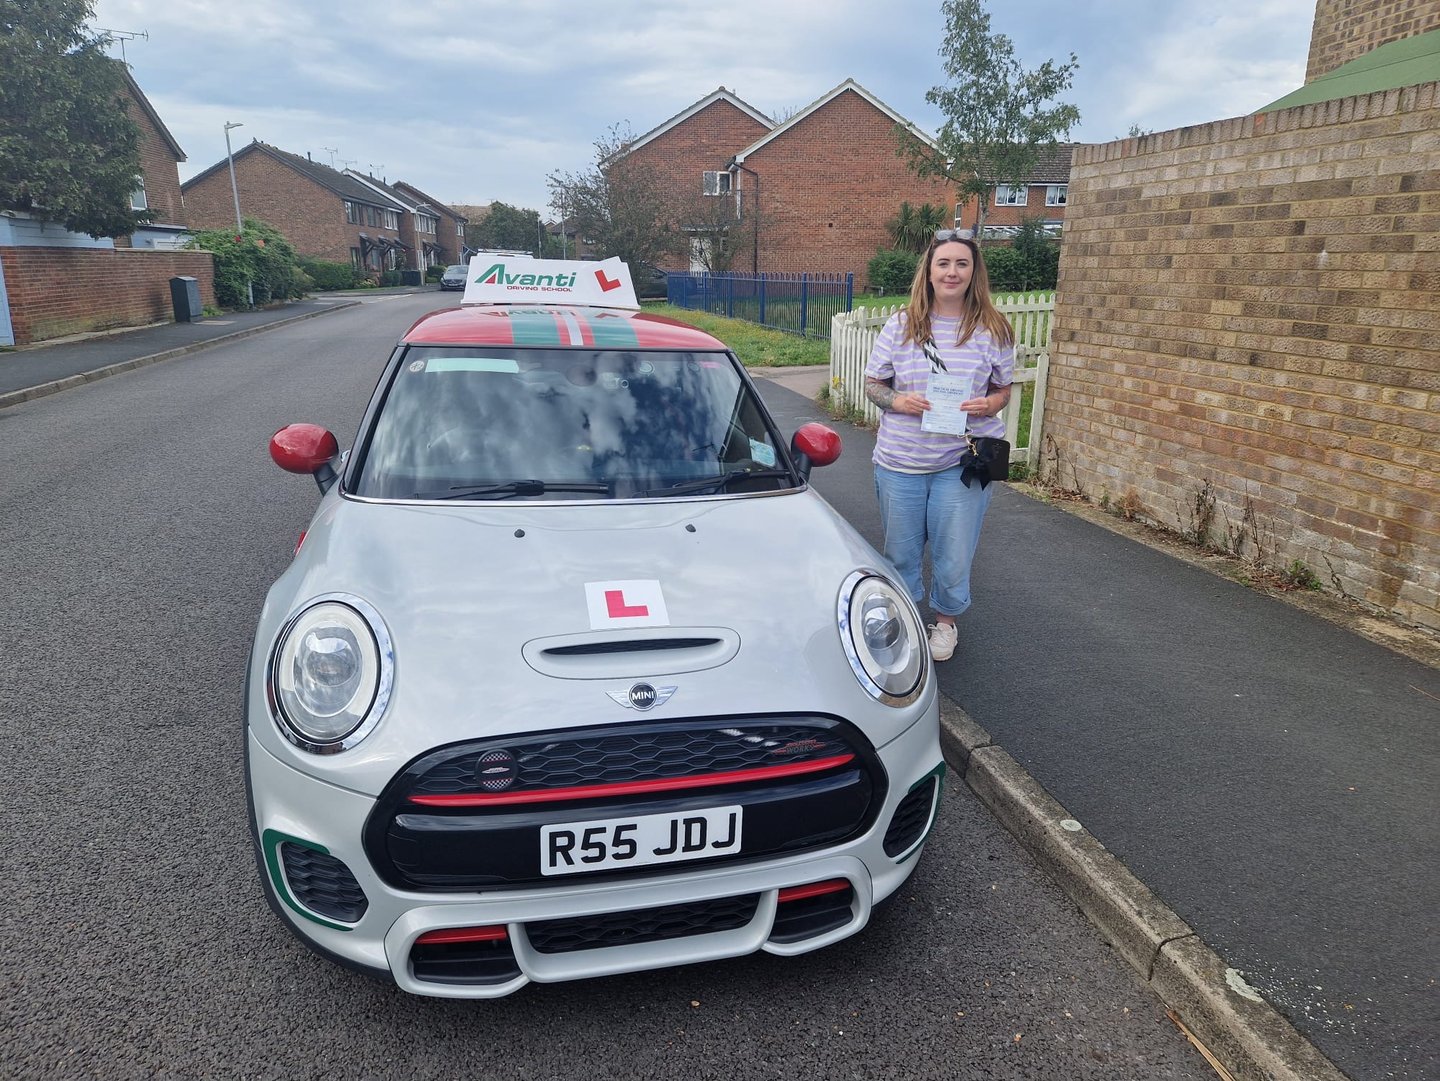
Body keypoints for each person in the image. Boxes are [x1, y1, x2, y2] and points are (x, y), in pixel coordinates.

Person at [863, 229, 1015, 662]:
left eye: (961, 264)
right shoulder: (902, 324)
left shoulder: (994, 329)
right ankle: (906, 619)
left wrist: (990, 403)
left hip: (961, 462)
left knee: (954, 553)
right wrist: (899, 401)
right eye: (943, 263)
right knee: (900, 552)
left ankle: (946, 623)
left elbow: (1003, 389)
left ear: (974, 272)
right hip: (901, 460)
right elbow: (874, 383)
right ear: (928, 272)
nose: (952, 272)